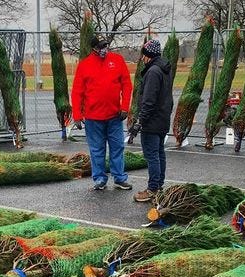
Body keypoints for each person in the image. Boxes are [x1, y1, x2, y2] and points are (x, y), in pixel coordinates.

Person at [71, 34, 133, 192]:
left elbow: (127, 85)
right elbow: (77, 92)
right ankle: (99, 178)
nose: (104, 49)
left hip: (114, 116)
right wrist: (77, 115)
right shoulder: (84, 65)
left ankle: (119, 178)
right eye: (100, 47)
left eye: (105, 46)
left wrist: (125, 107)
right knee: (97, 150)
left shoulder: (117, 60)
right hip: (93, 118)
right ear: (93, 49)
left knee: (117, 147)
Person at [133, 39, 174, 203]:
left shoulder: (153, 72)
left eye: (143, 54)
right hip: (163, 118)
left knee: (152, 156)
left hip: (152, 120)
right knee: (159, 153)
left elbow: (148, 100)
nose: (142, 58)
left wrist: (140, 121)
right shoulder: (164, 69)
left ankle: (153, 189)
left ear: (148, 55)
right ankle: (159, 185)